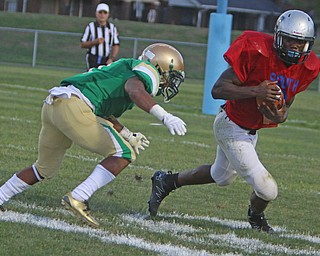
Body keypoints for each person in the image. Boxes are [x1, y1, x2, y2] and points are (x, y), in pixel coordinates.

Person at [148, 10, 320, 233]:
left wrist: (281, 115)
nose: (294, 47)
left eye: (299, 43)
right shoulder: (257, 50)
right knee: (268, 190)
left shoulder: (307, 67)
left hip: (250, 131)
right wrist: (255, 90)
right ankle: (256, 216)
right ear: (278, 37)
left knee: (221, 176)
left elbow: (286, 106)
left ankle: (167, 181)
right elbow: (217, 89)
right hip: (230, 124)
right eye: (289, 40)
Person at [0, 43, 187, 228]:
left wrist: (127, 133)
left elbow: (102, 109)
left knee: (43, 169)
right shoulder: (142, 72)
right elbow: (135, 90)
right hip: (73, 106)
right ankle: (79, 197)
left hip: (54, 104)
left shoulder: (123, 70)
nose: (170, 83)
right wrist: (165, 116)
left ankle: (1, 196)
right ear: (159, 67)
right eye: (171, 76)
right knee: (124, 154)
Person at [80, 3, 120, 70]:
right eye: (100, 12)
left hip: (106, 59)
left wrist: (112, 58)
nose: (102, 15)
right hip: (92, 57)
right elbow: (82, 44)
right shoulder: (90, 26)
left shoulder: (112, 28)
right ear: (96, 13)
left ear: (108, 14)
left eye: (105, 12)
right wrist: (94, 42)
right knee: (91, 77)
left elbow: (115, 44)